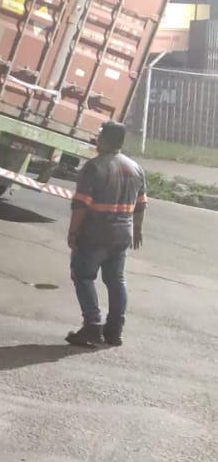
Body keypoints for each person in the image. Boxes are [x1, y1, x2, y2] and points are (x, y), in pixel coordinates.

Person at [66, 120, 146, 348]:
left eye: (99, 136)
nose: (97, 140)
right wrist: (137, 230)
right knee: (116, 280)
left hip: (96, 233)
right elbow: (141, 205)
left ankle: (92, 326)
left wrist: (73, 232)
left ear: (106, 140)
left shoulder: (94, 167)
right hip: (123, 233)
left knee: (83, 276)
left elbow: (80, 205)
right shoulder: (135, 167)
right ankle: (114, 331)